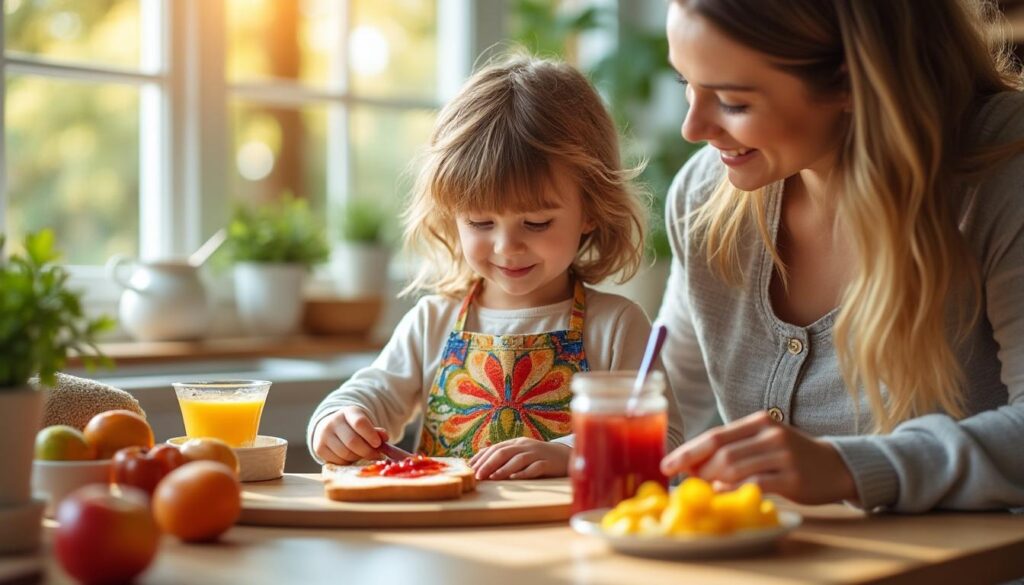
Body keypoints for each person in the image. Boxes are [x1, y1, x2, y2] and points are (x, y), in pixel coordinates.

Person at [657, 0, 1024, 512]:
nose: (692, 129)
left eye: (733, 102)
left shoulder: (1005, 168)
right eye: (686, 84)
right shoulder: (704, 195)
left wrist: (851, 468)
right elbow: (662, 402)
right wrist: (581, 448)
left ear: (852, 83)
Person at [308, 55, 684, 480]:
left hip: (563, 541)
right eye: (481, 222)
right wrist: (336, 421)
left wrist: (571, 454)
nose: (507, 247)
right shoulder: (434, 321)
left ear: (591, 211)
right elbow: (371, 393)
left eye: (537, 223)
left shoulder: (616, 325)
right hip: (447, 540)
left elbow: (664, 440)